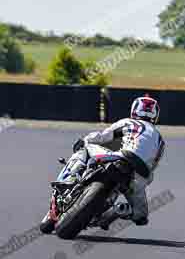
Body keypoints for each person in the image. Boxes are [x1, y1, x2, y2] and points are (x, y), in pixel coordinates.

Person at [50, 96, 166, 226]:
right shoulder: (160, 140)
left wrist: (85, 140)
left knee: (86, 147)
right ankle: (116, 211)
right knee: (141, 215)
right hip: (139, 173)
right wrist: (141, 182)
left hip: (121, 156)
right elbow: (152, 166)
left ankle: (70, 178)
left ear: (134, 110)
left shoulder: (129, 122)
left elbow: (103, 137)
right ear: (155, 115)